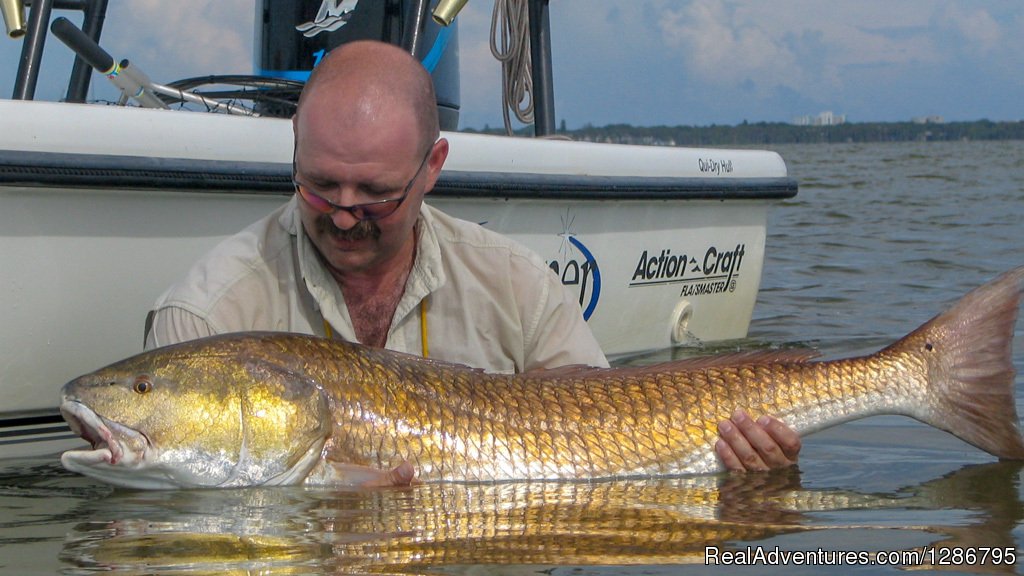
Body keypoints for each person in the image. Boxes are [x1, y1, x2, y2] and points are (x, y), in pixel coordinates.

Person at [144, 40, 799, 474]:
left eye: (375, 193)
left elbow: (608, 435)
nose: (344, 214)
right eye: (319, 186)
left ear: (433, 167)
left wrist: (749, 478)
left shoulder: (515, 282)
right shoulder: (204, 317)